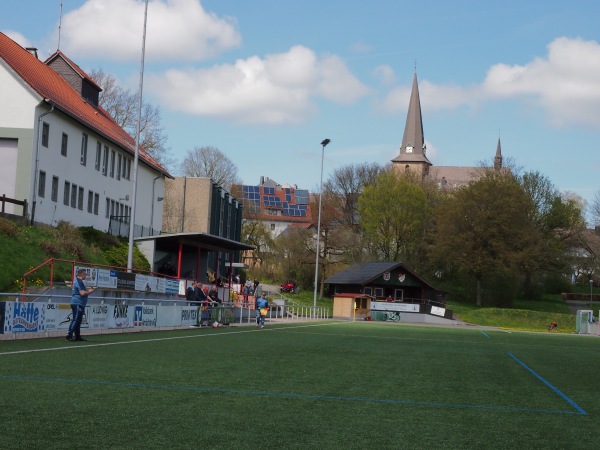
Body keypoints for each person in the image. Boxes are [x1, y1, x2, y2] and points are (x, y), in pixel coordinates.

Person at [66, 268, 94, 342]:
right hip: (78, 303)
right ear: (81, 274)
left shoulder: (78, 281)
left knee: (78, 320)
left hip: (78, 303)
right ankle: (69, 335)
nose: (86, 276)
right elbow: (82, 293)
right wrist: (90, 292)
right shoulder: (79, 281)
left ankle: (77, 336)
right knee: (76, 319)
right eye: (85, 274)